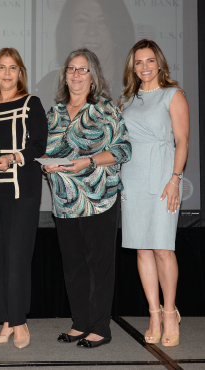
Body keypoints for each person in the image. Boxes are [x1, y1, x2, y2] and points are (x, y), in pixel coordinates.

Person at [42, 48, 131, 349]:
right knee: (74, 266)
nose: (76, 75)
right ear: (64, 75)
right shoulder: (53, 113)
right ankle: (80, 323)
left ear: (93, 77)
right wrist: (47, 165)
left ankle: (100, 327)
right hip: (64, 202)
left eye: (83, 70)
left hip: (99, 198)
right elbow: (49, 153)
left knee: (99, 265)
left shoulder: (106, 110)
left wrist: (88, 161)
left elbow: (123, 150)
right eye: (71, 69)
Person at [0, 48, 48, 349]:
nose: (7, 73)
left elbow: (38, 144)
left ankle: (20, 323)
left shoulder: (31, 103)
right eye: (1, 68)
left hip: (22, 191)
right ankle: (5, 321)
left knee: (17, 257)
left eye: (13, 68)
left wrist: (13, 156)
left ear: (20, 73)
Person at [119, 39, 189, 347]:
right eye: (138, 62)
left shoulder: (173, 95)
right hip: (132, 177)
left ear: (159, 63)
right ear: (132, 67)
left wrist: (174, 180)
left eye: (149, 61)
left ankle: (170, 311)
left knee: (162, 248)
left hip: (163, 177)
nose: (144, 67)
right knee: (142, 249)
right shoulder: (127, 100)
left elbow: (182, 141)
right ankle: (154, 313)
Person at [34, 0, 134, 111]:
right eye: (82, 20)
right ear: (69, 29)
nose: (91, 31)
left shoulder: (135, 88)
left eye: (102, 21)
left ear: (118, 32)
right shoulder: (49, 88)